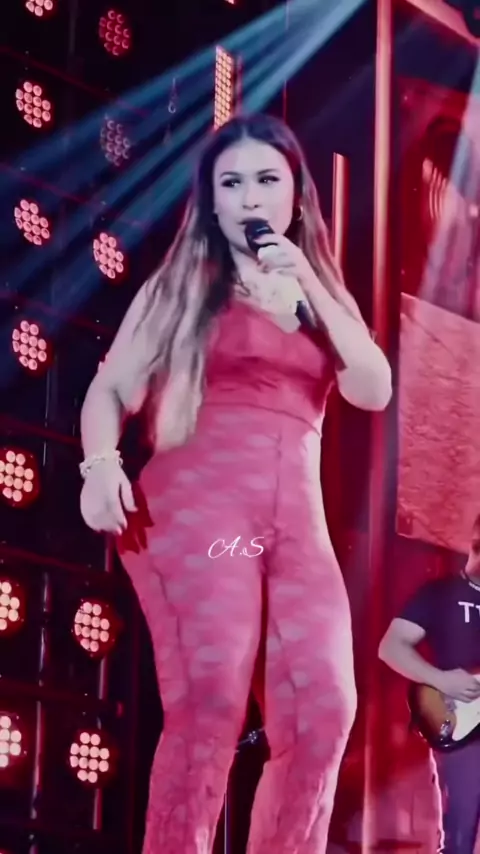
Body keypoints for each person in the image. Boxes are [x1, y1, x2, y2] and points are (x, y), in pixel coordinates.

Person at [79, 113, 392, 854]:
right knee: (212, 702)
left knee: (323, 714)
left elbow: (373, 387)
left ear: (296, 196)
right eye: (232, 183)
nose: (250, 197)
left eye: (266, 180)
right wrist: (100, 464)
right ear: (212, 203)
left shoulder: (317, 295)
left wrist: (307, 281)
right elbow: (112, 387)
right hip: (200, 511)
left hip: (294, 524)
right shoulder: (183, 286)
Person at [379, 515, 480, 854]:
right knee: (459, 838)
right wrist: (441, 679)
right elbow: (390, 647)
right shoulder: (440, 593)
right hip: (462, 727)